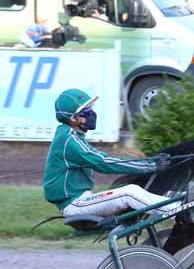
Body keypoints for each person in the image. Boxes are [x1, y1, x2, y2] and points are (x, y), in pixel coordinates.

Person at [43, 89, 180, 218]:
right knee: (130, 193)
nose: (92, 113)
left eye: (91, 108)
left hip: (82, 199)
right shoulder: (69, 141)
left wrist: (150, 163)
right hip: (75, 204)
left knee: (144, 189)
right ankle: (179, 211)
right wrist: (151, 165)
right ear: (73, 118)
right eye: (87, 110)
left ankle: (183, 198)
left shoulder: (70, 136)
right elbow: (104, 162)